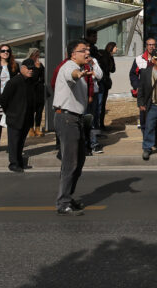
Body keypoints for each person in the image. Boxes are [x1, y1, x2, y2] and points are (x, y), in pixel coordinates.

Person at [52, 39, 94, 216]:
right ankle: (63, 202)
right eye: (83, 50)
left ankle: (68, 197)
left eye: (88, 50)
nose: (87, 53)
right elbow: (73, 74)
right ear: (72, 54)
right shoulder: (69, 66)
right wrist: (81, 74)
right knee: (70, 162)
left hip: (76, 119)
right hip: (67, 118)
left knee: (79, 161)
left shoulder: (84, 69)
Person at [0, 58, 37, 172]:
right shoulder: (14, 82)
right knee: (14, 141)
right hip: (15, 117)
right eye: (29, 68)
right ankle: (13, 163)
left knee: (21, 141)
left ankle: (19, 161)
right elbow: (4, 100)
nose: (31, 71)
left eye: (32, 69)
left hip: (27, 117)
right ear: (23, 68)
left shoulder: (31, 82)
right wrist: (10, 113)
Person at [130, 37, 157, 134]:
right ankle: (147, 141)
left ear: (156, 46)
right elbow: (133, 74)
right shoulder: (139, 59)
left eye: (153, 44)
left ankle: (156, 140)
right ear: (146, 46)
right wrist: (137, 86)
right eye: (149, 44)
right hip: (144, 95)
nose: (151, 47)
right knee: (144, 118)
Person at [96, 41, 117, 130]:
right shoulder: (104, 55)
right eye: (116, 47)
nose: (117, 49)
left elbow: (113, 69)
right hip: (101, 82)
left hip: (105, 83)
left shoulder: (110, 57)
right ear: (111, 47)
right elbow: (106, 69)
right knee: (100, 104)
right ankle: (98, 125)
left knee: (102, 104)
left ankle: (101, 124)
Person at [25, 48, 45, 137]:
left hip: (40, 90)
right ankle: (30, 128)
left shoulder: (40, 64)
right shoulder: (27, 63)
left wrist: (39, 68)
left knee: (39, 110)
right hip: (31, 90)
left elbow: (43, 77)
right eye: (36, 55)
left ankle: (37, 128)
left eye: (38, 55)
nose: (37, 57)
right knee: (31, 110)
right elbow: (32, 78)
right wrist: (36, 69)